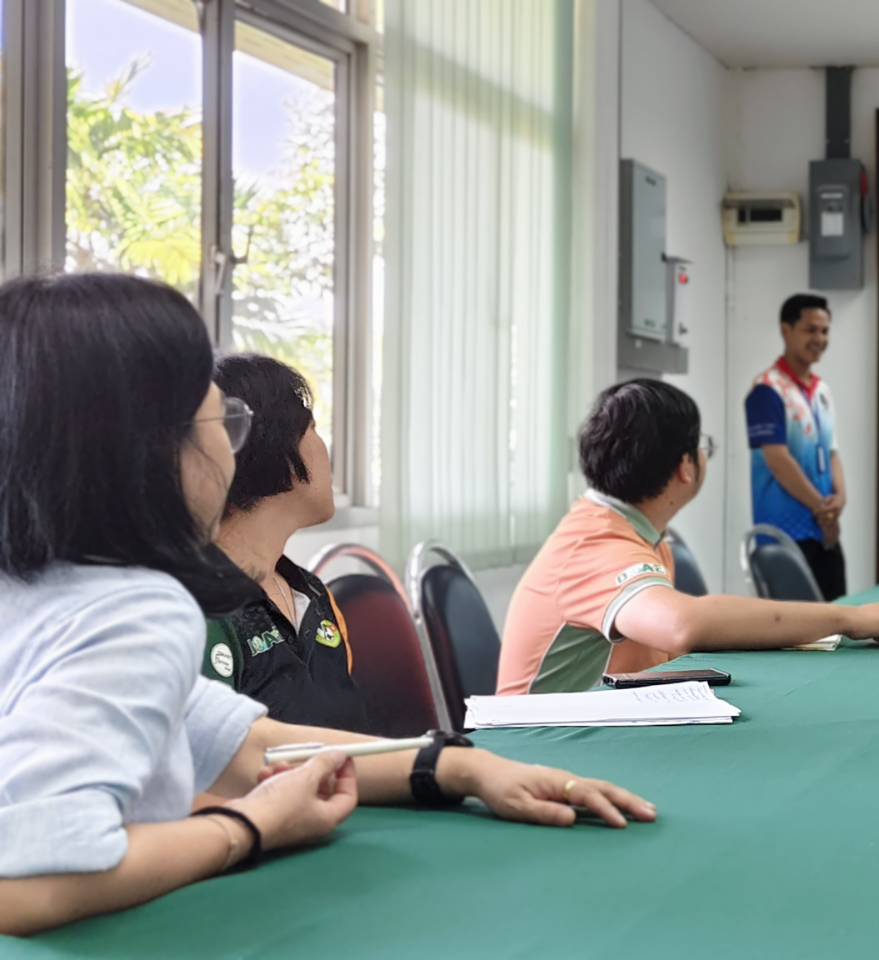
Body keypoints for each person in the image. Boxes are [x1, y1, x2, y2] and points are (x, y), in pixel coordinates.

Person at [0, 274, 654, 936]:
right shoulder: (137, 609)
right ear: (145, 447)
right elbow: (22, 885)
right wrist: (250, 826)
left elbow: (248, 744)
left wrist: (461, 766)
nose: (230, 449)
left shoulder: (45, 592)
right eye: (221, 422)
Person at [499, 378, 879, 695]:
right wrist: (847, 619)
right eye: (702, 445)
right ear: (685, 467)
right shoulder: (595, 545)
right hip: (538, 750)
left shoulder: (638, 533)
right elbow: (683, 625)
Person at [202, 354, 367, 732]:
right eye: (312, 428)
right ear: (274, 445)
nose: (324, 449)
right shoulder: (202, 608)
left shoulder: (313, 594)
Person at [744, 293, 846, 600]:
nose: (819, 339)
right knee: (795, 626)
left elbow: (831, 452)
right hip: (784, 536)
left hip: (823, 532)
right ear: (785, 330)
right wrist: (822, 509)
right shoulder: (766, 390)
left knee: (837, 617)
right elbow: (777, 460)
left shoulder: (822, 390)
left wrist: (840, 499)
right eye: (810, 330)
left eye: (824, 331)